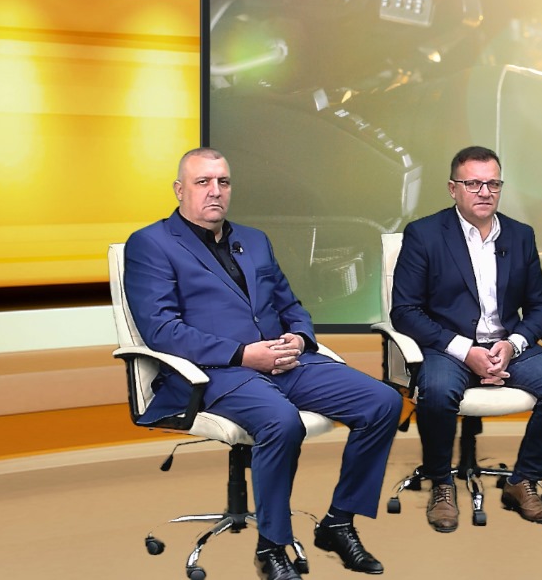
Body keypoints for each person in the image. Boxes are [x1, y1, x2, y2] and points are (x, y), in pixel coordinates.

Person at [124, 148, 402, 580]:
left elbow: (290, 305)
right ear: (179, 190)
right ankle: (272, 547)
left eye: (223, 182)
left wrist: (300, 337)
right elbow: (162, 330)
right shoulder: (151, 244)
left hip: (283, 361)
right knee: (281, 421)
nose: (215, 191)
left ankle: (338, 523)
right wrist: (242, 354)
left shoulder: (254, 240)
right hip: (216, 372)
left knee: (382, 402)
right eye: (202, 182)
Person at [390, 145, 542, 532]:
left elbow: (540, 306)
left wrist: (514, 344)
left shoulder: (520, 235)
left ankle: (522, 481)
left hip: (507, 345)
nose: (484, 192)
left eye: (493, 184)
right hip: (448, 347)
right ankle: (442, 484)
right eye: (473, 184)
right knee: (437, 393)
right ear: (453, 189)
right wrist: (466, 351)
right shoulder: (424, 234)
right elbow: (404, 311)